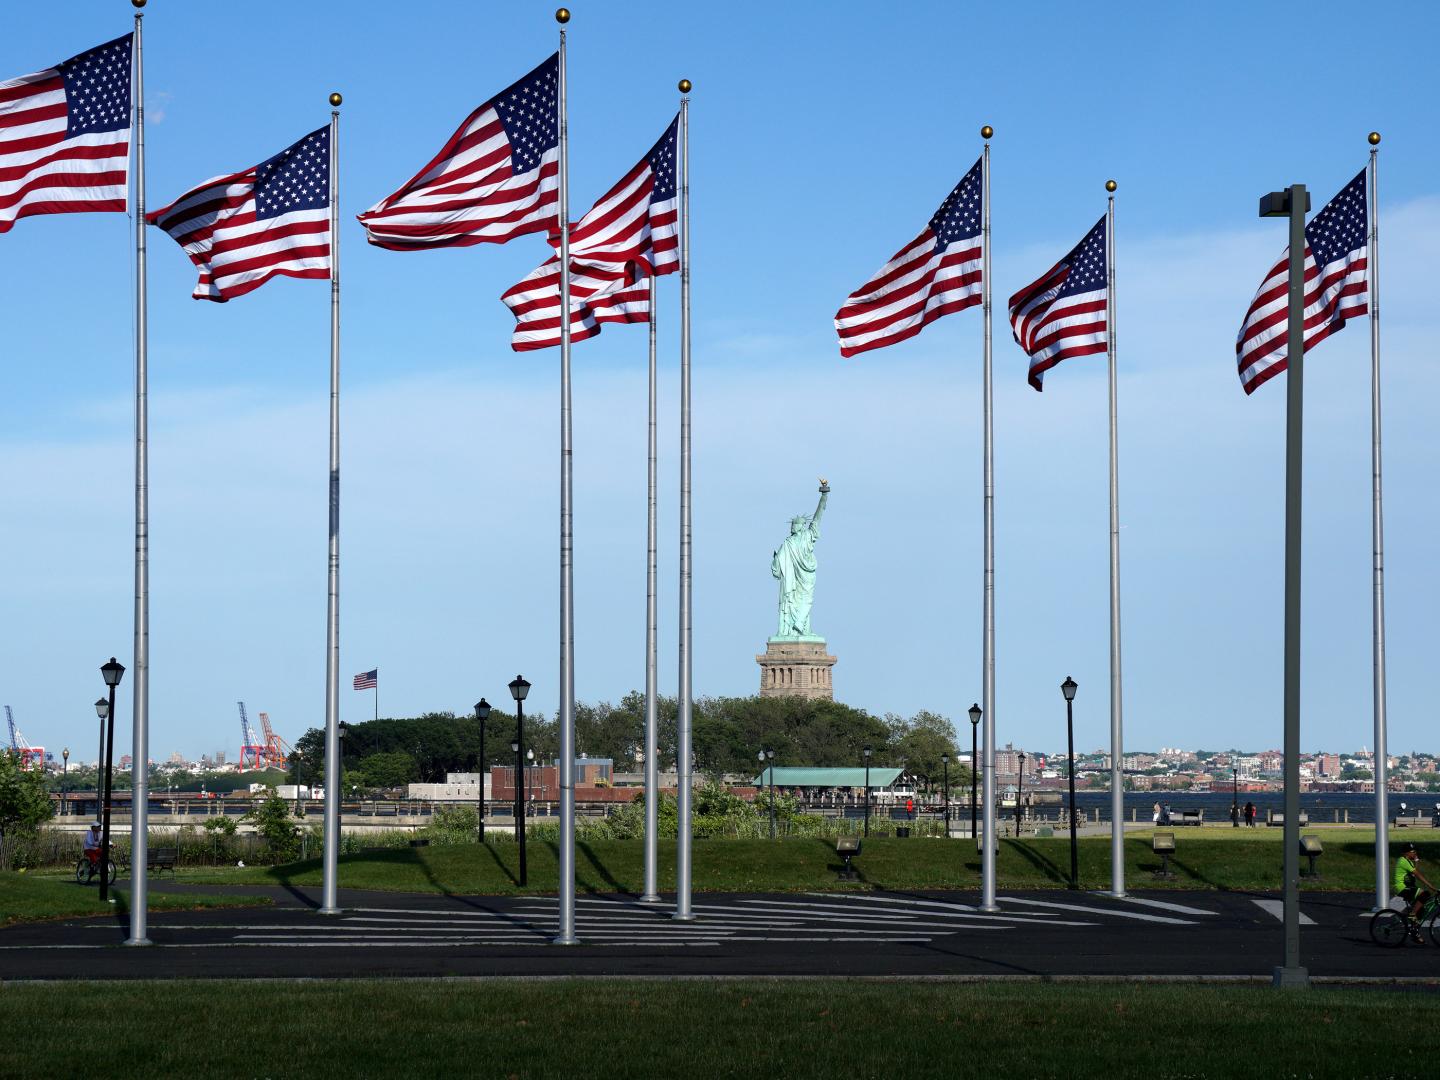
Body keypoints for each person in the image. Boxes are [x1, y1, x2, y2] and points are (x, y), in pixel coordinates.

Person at [1394, 842, 1435, 939]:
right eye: (1412, 851)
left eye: (1415, 851)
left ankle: (1414, 932)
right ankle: (1412, 914)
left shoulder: (1407, 861)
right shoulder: (1403, 861)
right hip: (1402, 888)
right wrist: (1431, 887)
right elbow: (1417, 874)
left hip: (1409, 887)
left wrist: (1416, 861)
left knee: (1421, 911)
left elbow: (1413, 872)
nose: (1415, 853)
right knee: (1425, 894)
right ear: (1406, 853)